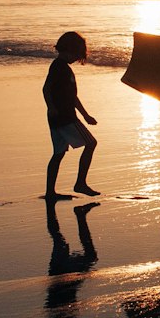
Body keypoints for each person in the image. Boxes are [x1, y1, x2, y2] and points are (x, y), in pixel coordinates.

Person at [43, 31, 99, 200]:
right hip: (65, 117)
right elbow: (46, 88)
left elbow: (72, 97)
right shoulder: (59, 67)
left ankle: (50, 192)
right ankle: (80, 183)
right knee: (91, 143)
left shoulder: (62, 67)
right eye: (76, 54)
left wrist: (86, 115)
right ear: (68, 49)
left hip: (57, 118)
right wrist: (51, 107)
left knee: (58, 153)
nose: (76, 58)